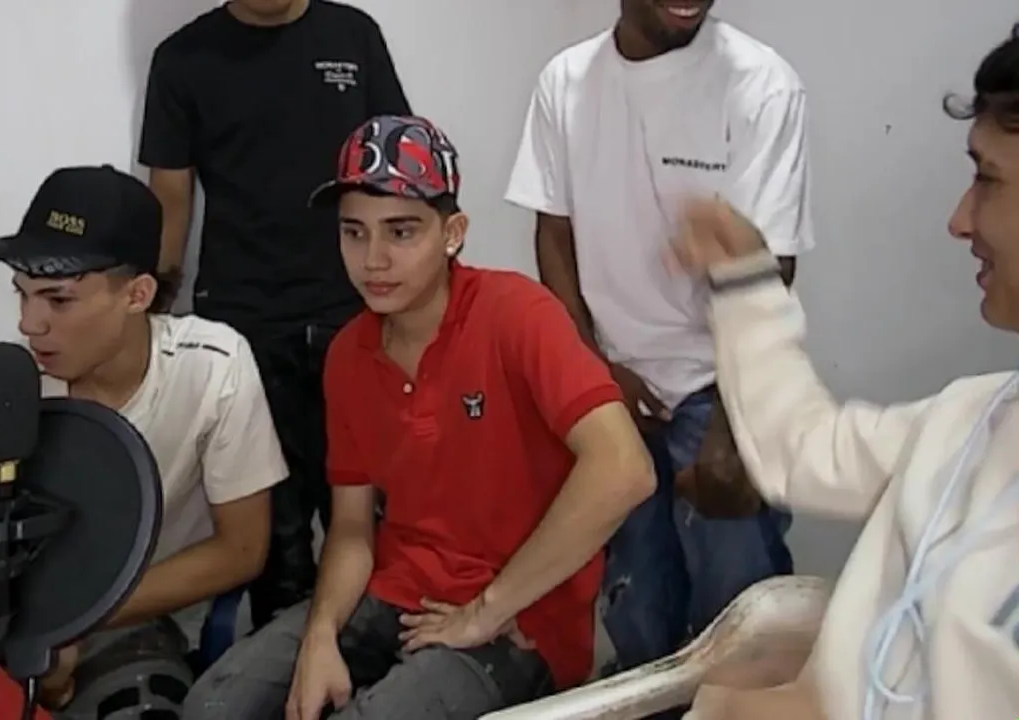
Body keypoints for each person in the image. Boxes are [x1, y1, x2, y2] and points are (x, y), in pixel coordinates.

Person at [182, 115, 655, 720]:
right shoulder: (349, 354)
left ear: (452, 233)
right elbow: (351, 527)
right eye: (354, 232)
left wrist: (485, 610)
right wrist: (320, 636)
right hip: (393, 591)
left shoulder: (517, 314)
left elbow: (625, 469)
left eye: (401, 231)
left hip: (520, 618)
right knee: (212, 707)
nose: (373, 259)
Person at [668, 31, 1019, 720]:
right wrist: (745, 284)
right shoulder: (974, 420)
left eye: (988, 178)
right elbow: (805, 450)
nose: (958, 221)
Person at [0, 165, 288, 711]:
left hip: (137, 617)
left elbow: (241, 551)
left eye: (58, 300)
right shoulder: (6, 384)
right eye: (21, 295)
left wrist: (70, 624)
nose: (29, 324)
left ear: (137, 294)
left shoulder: (213, 367)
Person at [505, 0, 812, 693]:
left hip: (722, 390)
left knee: (742, 639)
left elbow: (770, 267)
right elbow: (554, 234)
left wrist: (735, 423)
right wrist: (593, 374)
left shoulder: (762, 84)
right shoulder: (566, 82)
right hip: (616, 396)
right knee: (638, 629)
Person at [139, 0, 414, 629]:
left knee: (378, 518)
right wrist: (149, 316)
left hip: (357, 315)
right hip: (246, 329)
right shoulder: (182, 58)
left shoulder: (353, 36)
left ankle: (376, 660)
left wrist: (420, 300)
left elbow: (399, 174)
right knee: (276, 545)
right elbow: (170, 200)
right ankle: (287, 667)